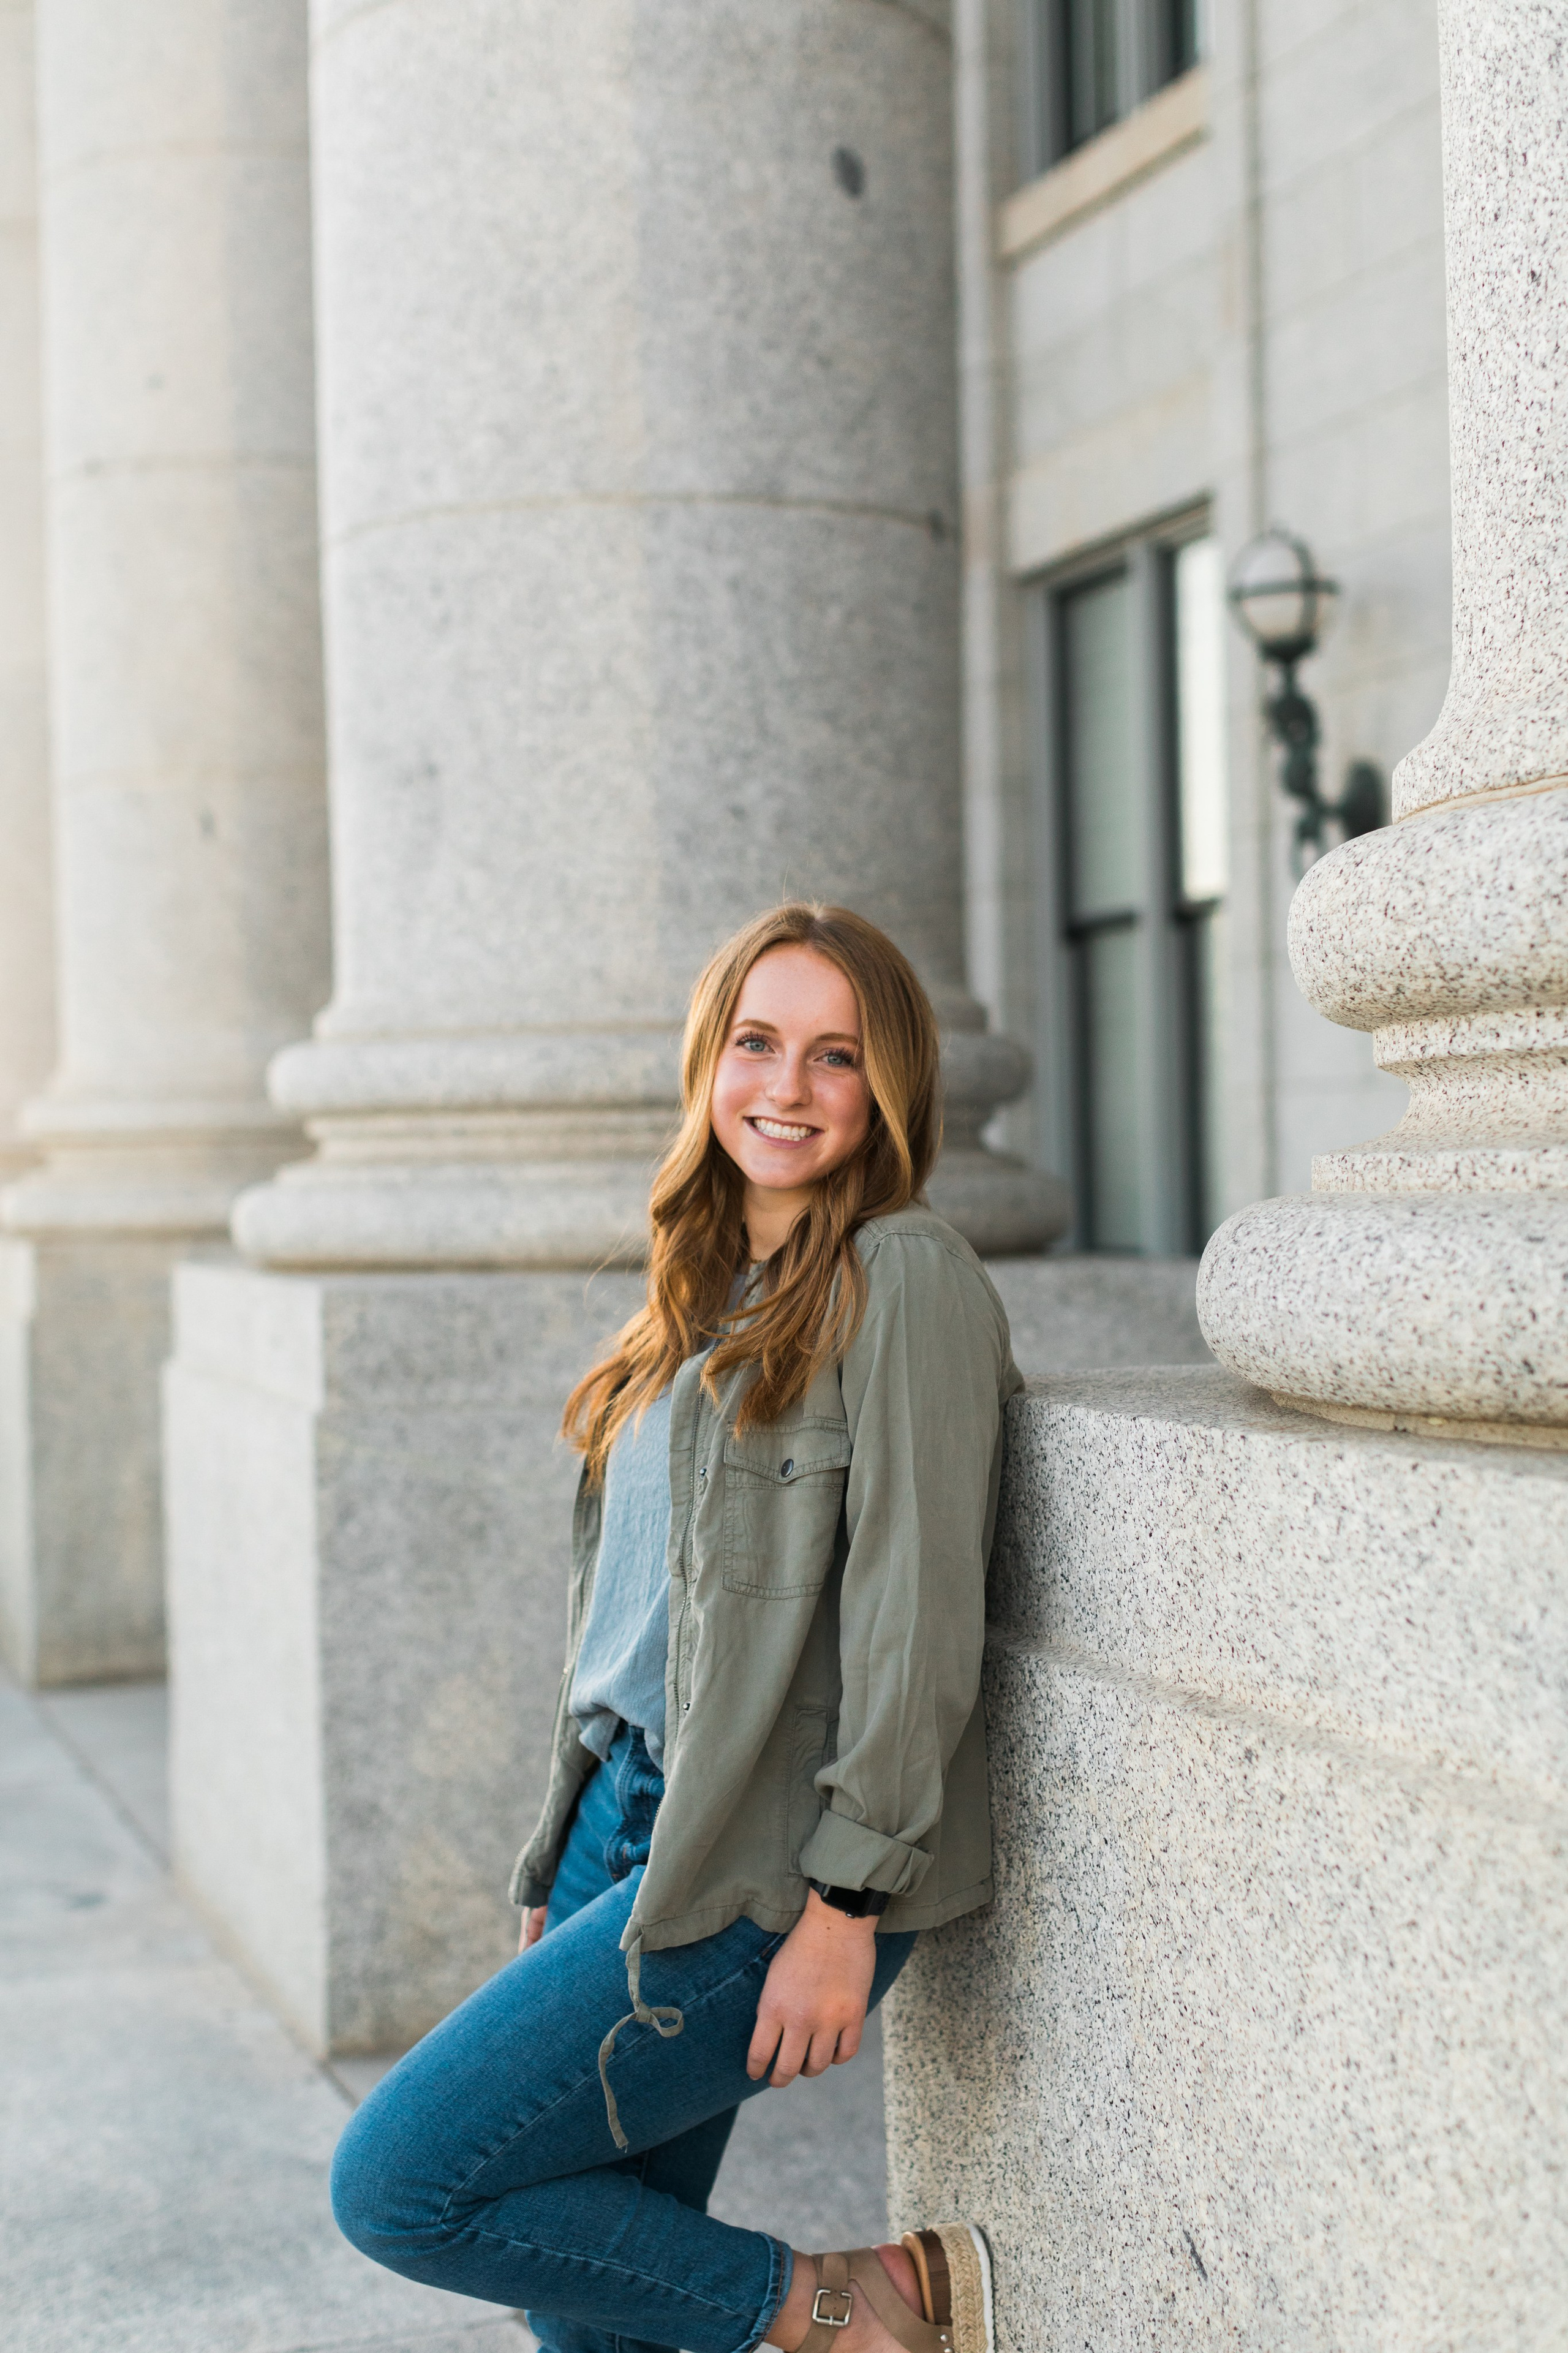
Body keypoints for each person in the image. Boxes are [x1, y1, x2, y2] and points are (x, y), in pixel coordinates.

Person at [331, 903, 1021, 2353]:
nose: (787, 1086)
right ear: (708, 1060)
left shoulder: (903, 1276)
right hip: (619, 1827)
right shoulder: (699, 1298)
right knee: (595, 2318)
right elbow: (628, 1621)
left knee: (403, 2182)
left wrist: (848, 1908)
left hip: (765, 1859)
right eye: (756, 1042)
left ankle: (843, 2306)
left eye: (835, 1056)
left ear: (887, 1086)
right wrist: (559, 1841)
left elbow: (915, 1612)